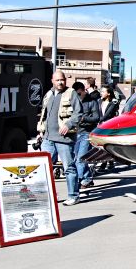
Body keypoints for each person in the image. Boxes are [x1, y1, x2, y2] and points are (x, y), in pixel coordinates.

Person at [37, 70, 83, 206]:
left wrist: (68, 124)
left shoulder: (71, 93)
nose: (60, 82)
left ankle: (73, 196)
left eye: (62, 80)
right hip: (48, 138)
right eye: (57, 80)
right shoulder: (49, 94)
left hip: (64, 139)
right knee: (45, 169)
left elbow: (78, 112)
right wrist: (41, 131)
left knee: (69, 167)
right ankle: (49, 196)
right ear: (52, 80)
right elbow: (44, 115)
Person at [72, 81, 100, 189]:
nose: (78, 96)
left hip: (87, 133)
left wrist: (84, 118)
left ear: (84, 91)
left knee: (81, 158)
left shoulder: (92, 102)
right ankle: (87, 178)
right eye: (76, 94)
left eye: (79, 94)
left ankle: (80, 181)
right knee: (76, 158)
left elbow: (97, 118)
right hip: (76, 132)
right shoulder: (74, 101)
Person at [98, 84, 120, 171]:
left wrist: (99, 120)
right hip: (100, 126)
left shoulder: (113, 102)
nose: (101, 93)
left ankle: (104, 163)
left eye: (103, 91)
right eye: (101, 91)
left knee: (106, 145)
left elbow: (107, 115)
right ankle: (110, 161)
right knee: (103, 145)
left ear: (109, 93)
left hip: (109, 127)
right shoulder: (100, 101)